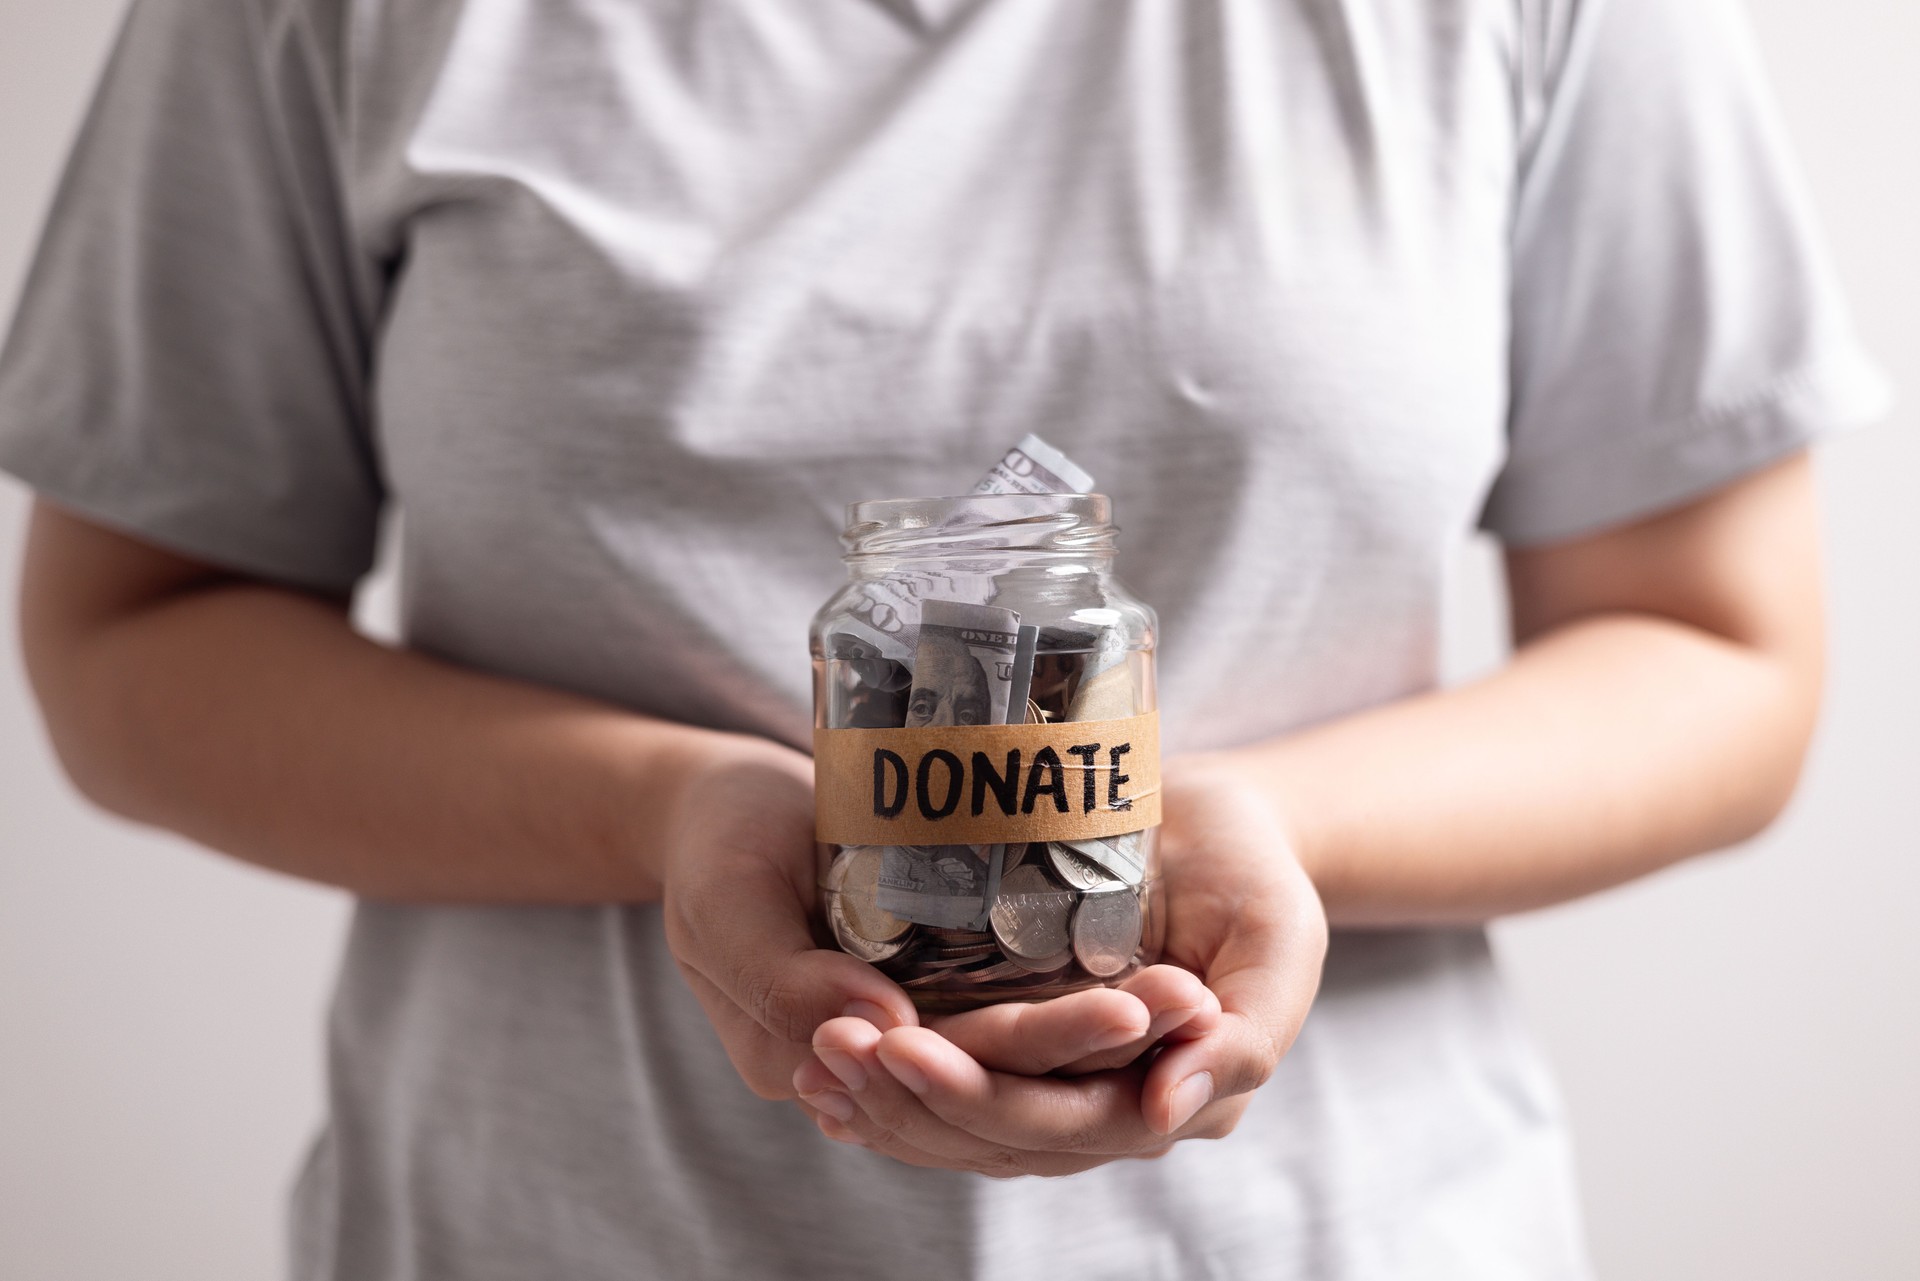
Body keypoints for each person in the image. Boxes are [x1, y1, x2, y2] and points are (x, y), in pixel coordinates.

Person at [0, 0, 1890, 1277]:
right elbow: (135, 632)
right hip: (546, 1226)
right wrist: (672, 813)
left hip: (1341, 1229)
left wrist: (1250, 832)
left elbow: (1714, 648)